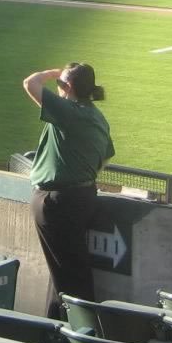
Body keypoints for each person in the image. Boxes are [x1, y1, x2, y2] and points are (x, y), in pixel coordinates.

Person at [23, 63, 114, 319]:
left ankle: (80, 334)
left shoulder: (68, 111)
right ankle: (57, 328)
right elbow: (105, 158)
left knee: (69, 276)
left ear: (69, 86)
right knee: (65, 271)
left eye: (61, 84)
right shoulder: (97, 117)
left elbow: (30, 83)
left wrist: (51, 74)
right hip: (83, 197)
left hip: (56, 203)